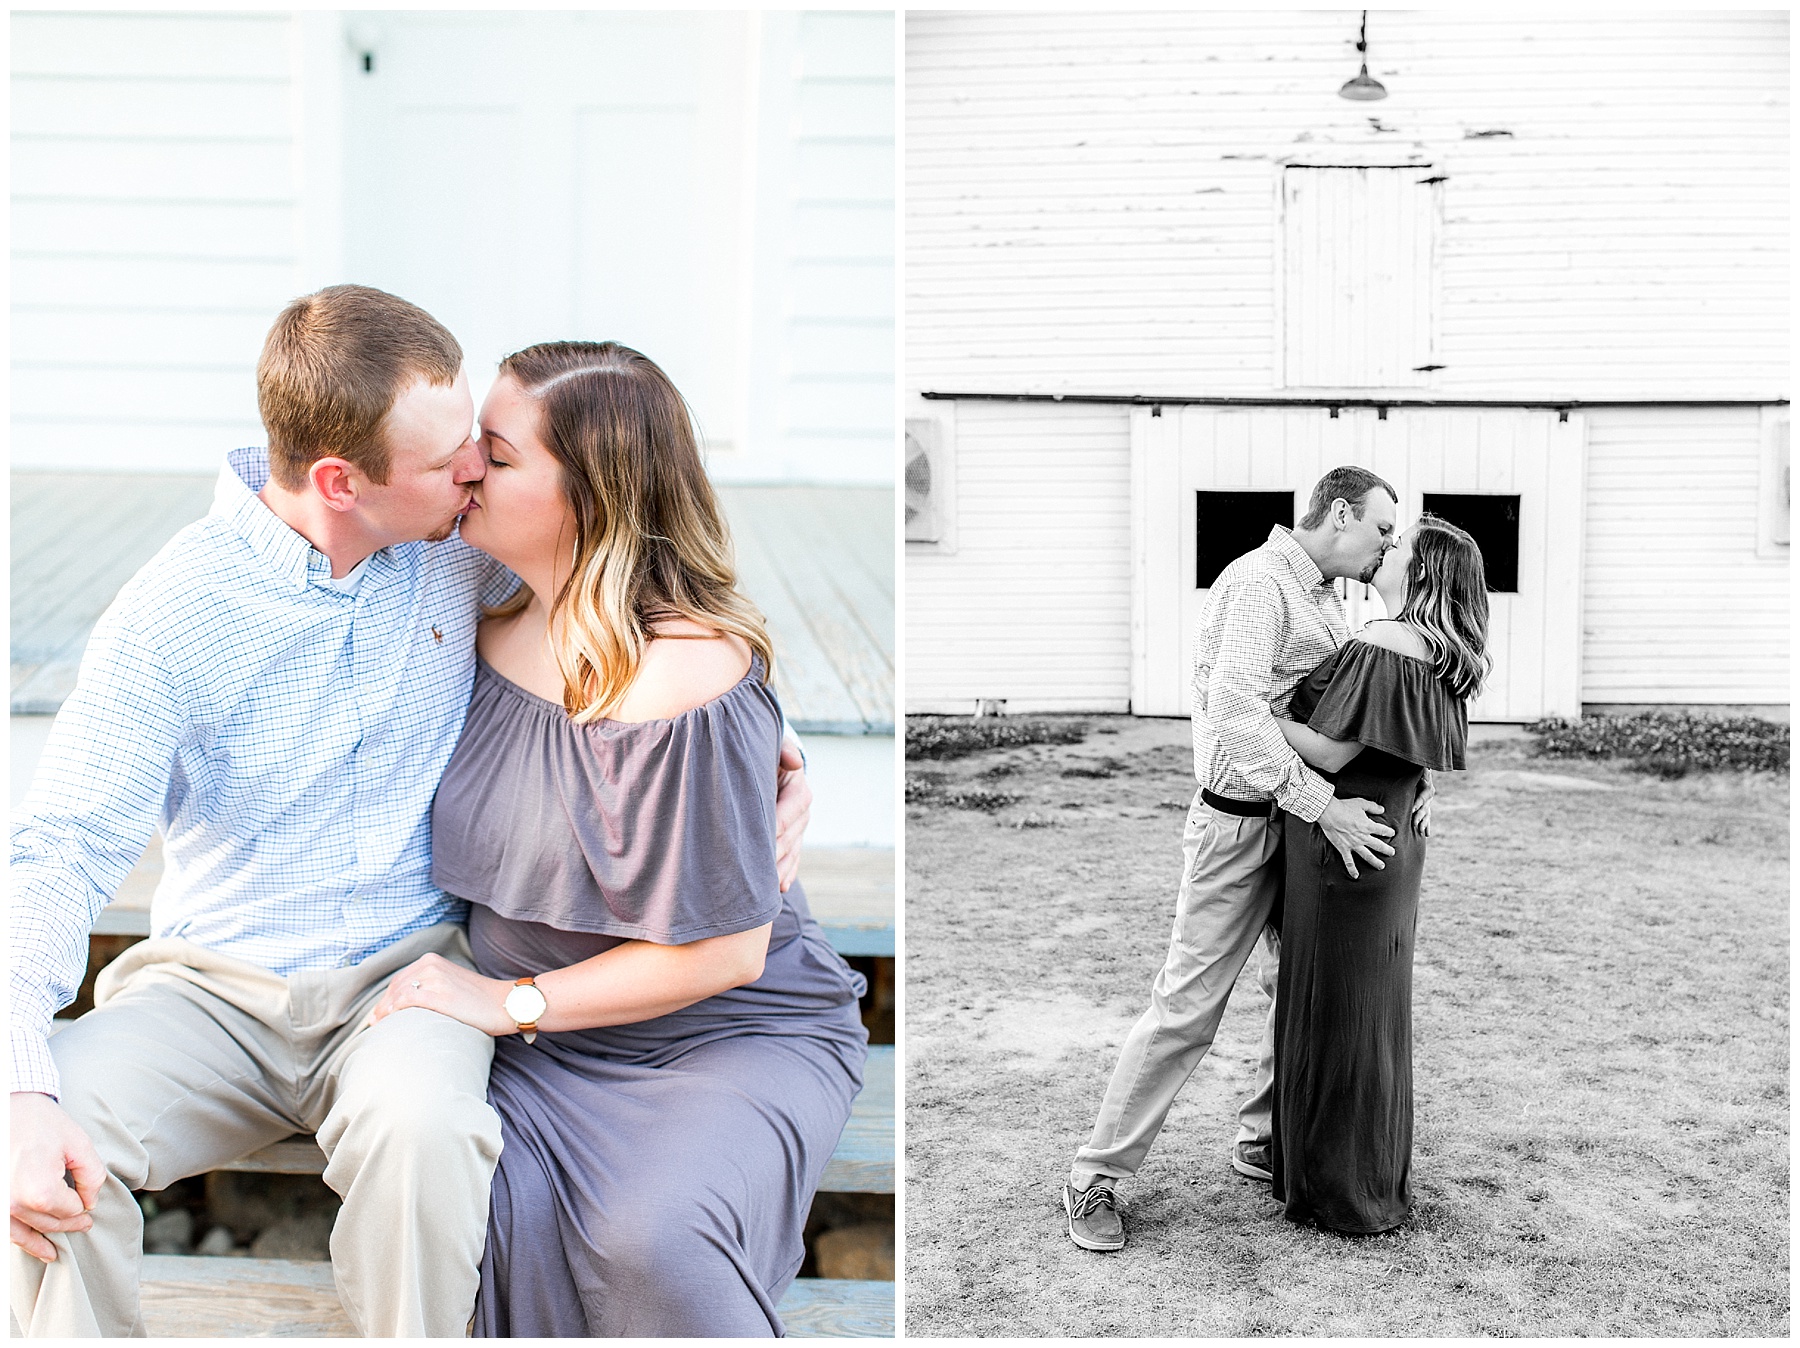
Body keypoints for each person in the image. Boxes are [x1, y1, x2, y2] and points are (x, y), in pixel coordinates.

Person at [7, 287, 815, 1337]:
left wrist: (771, 746)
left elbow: (634, 591)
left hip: (412, 978)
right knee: (37, 1153)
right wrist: (20, 1091)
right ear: (342, 482)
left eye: (482, 447)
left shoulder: (455, 548)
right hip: (213, 990)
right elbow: (58, 851)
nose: (474, 470)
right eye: (450, 459)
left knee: (429, 1140)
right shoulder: (172, 618)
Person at [360, 340, 869, 1337]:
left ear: (591, 496)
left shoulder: (686, 674)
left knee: (653, 1239)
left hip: (713, 1034)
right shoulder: (478, 602)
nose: (466, 468)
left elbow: (726, 950)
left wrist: (510, 1000)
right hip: (544, 1050)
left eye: (498, 457)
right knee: (477, 1215)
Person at [1064, 465, 1430, 1252]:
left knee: (1298, 989)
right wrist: (1322, 806)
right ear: (1339, 513)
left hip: (1306, 837)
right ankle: (1094, 1175)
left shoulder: (1336, 604)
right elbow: (1231, 712)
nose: (1388, 545)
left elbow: (1358, 714)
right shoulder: (1257, 583)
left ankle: (1265, 1138)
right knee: (1188, 1009)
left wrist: (1411, 780)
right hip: (1241, 828)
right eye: (1381, 529)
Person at [1269, 514, 1485, 1234]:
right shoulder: (1439, 651)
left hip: (1347, 842)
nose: (1387, 550)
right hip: (1393, 837)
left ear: (1421, 575)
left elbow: (1328, 755)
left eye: (1400, 549)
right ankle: (1365, 1172)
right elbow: (1414, 746)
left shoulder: (1382, 641)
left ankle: (1337, 1188)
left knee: (1334, 1007)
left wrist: (1251, 711)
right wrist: (1421, 780)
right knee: (1371, 1010)